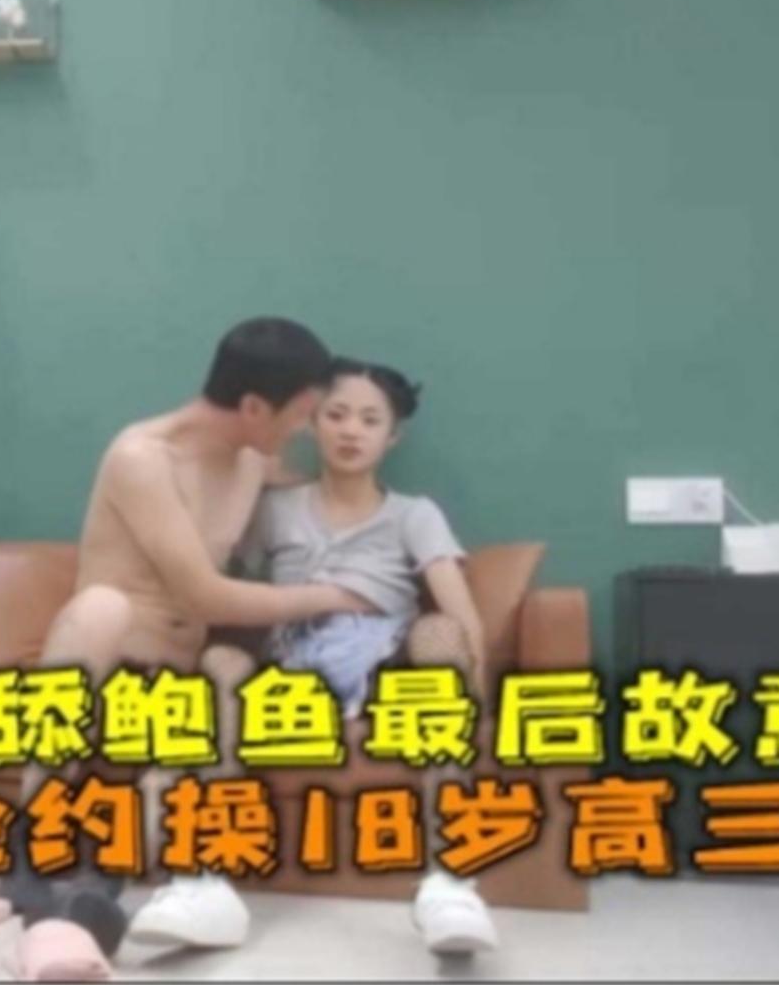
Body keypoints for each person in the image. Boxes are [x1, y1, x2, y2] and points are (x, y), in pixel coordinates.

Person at [0, 318, 375, 976]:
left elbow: (332, 492)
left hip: (173, 685)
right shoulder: (142, 457)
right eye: (303, 415)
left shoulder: (253, 458)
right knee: (102, 607)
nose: (306, 430)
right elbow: (205, 595)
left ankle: (62, 903)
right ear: (255, 406)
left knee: (221, 685)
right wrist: (333, 596)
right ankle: (28, 860)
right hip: (102, 661)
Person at [124, 356, 500, 957]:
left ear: (392, 436)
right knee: (221, 662)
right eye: (337, 415)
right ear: (313, 423)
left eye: (370, 420)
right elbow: (213, 576)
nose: (351, 430)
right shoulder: (276, 508)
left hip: (384, 669)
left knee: (439, 634)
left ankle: (450, 886)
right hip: (289, 671)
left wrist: (475, 694)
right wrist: (255, 475)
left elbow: (460, 613)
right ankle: (200, 882)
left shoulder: (414, 514)